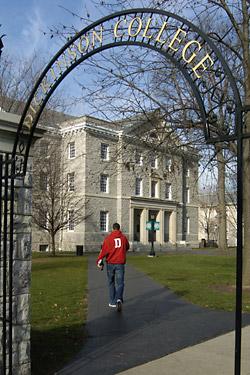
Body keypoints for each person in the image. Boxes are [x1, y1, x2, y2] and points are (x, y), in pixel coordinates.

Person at [97, 223, 129, 311]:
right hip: (120, 263)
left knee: (111, 282)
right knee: (120, 282)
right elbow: (127, 247)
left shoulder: (108, 239)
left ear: (112, 228)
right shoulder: (123, 238)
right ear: (119, 229)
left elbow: (103, 251)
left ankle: (112, 301)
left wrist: (100, 261)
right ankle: (118, 298)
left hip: (110, 263)